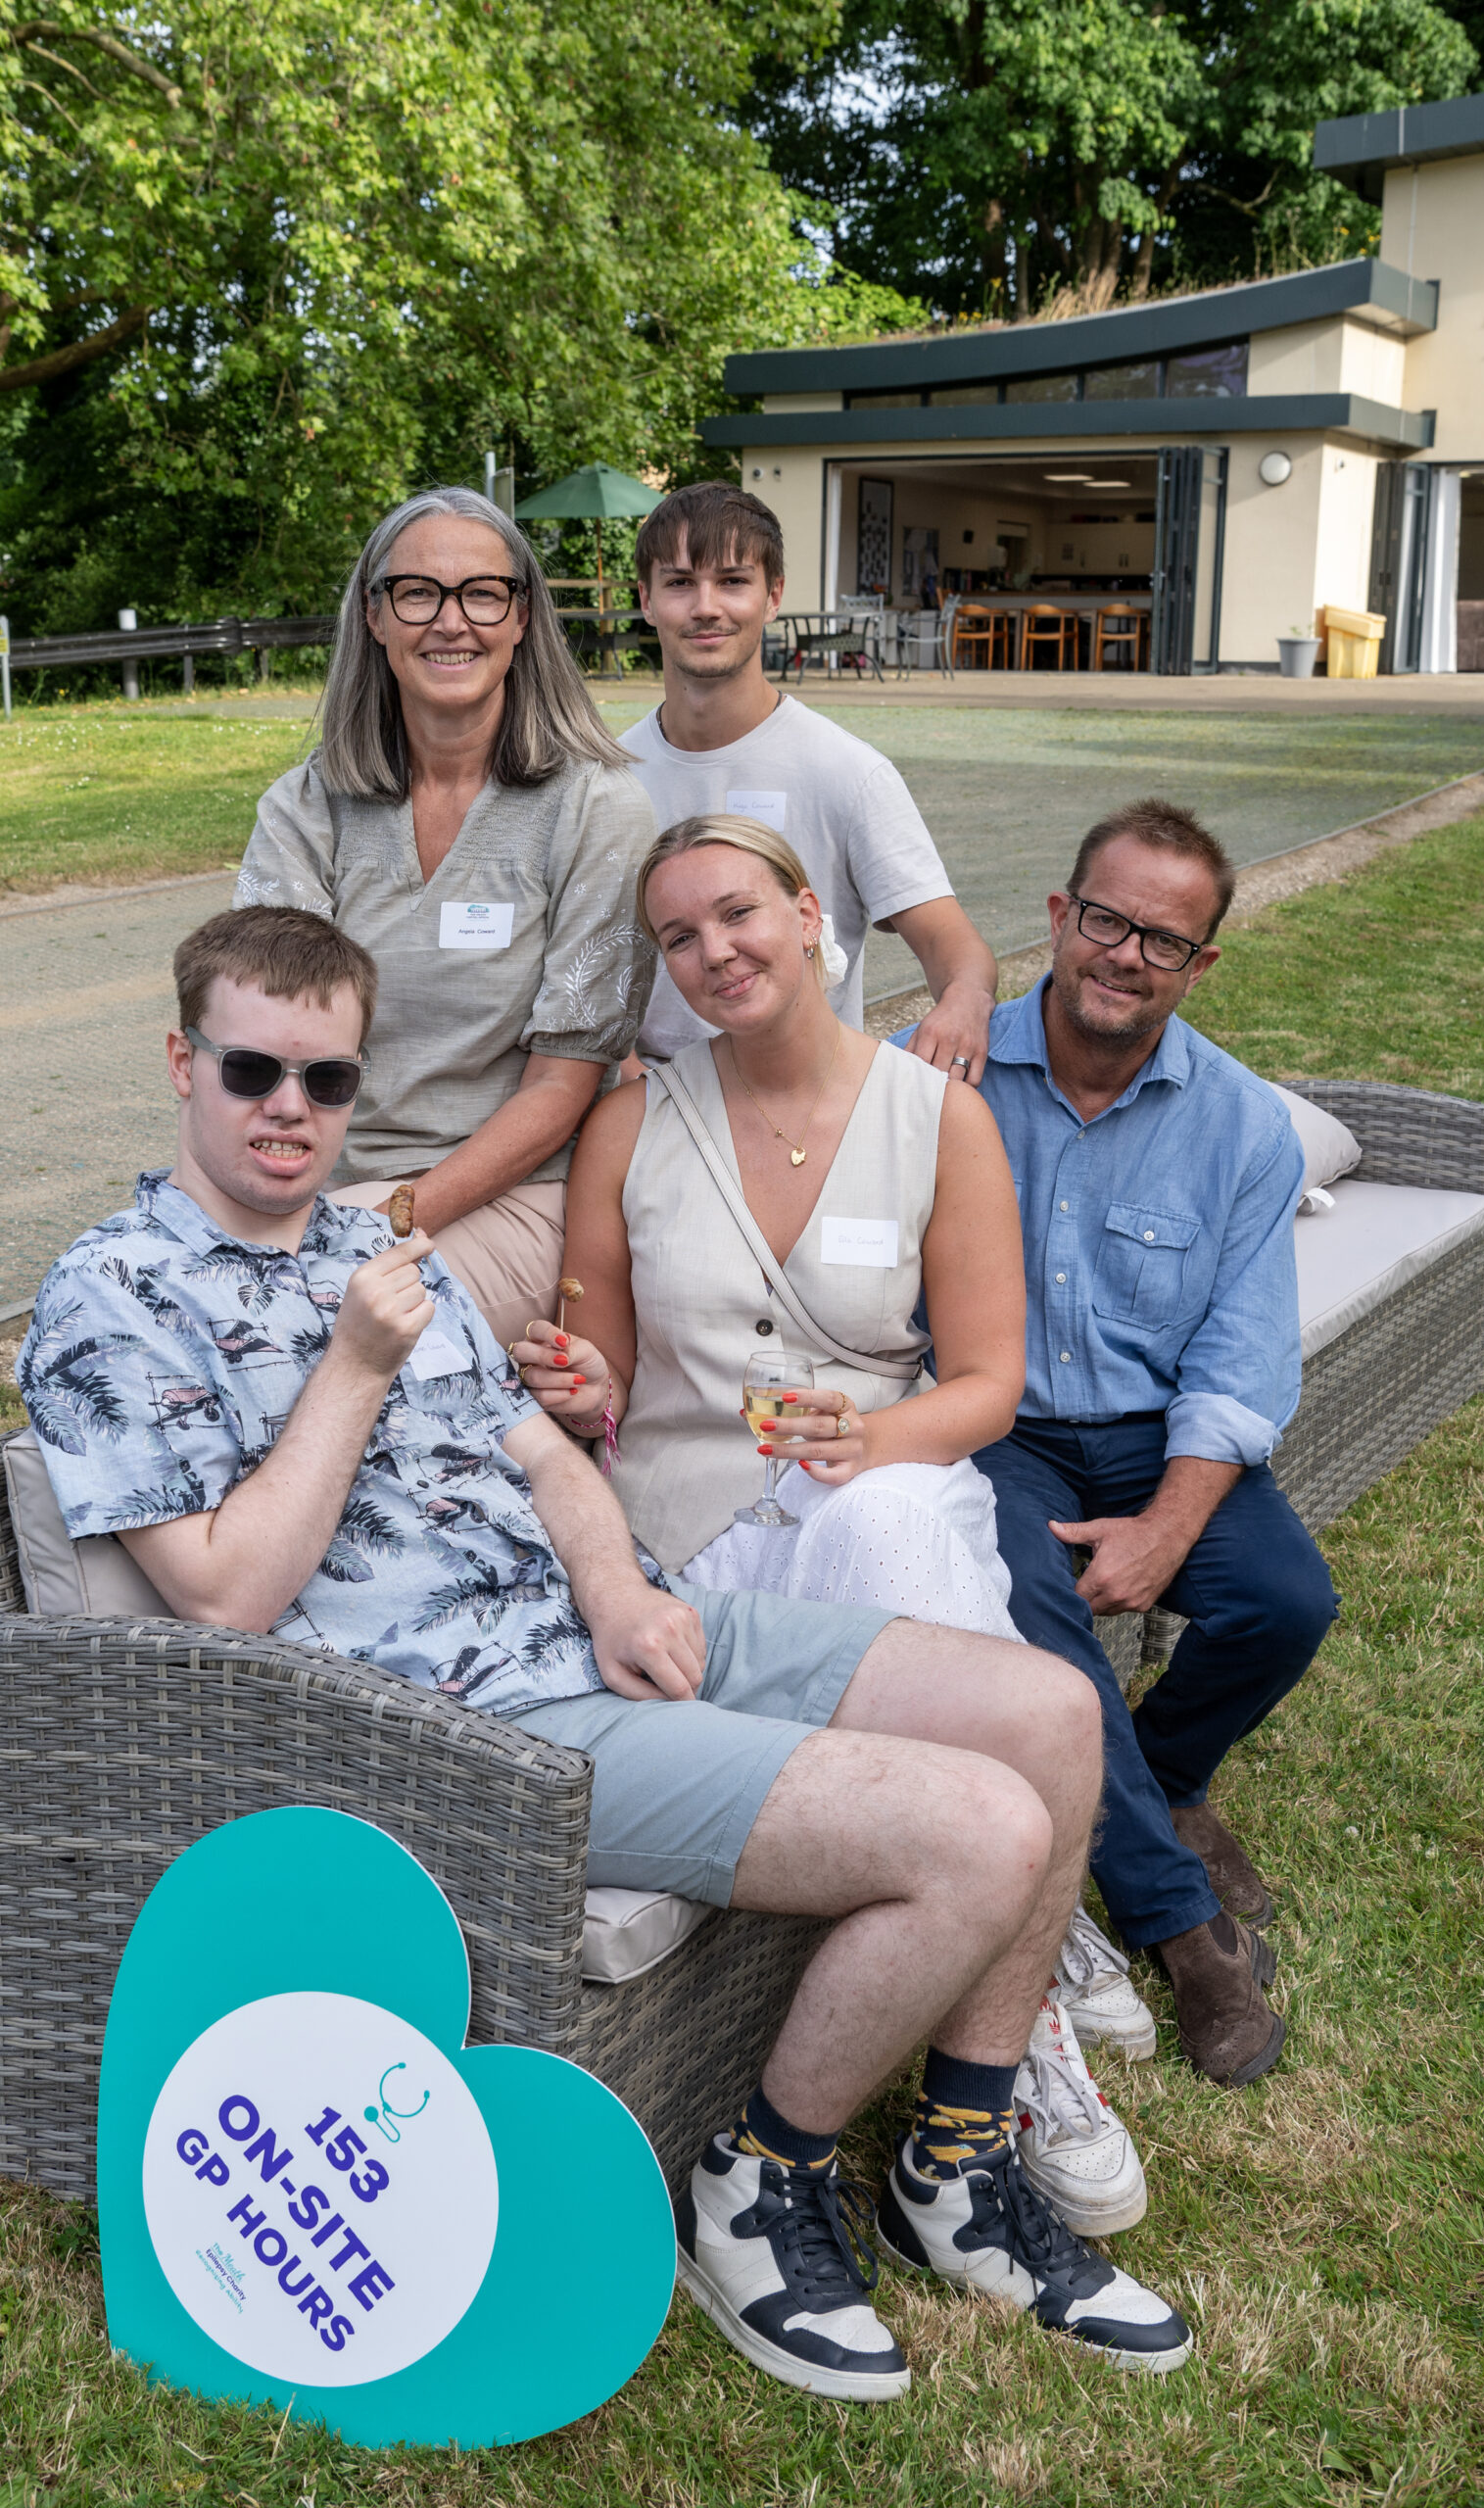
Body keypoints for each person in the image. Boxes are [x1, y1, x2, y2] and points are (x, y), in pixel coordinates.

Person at [20, 902, 1190, 2398]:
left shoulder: (380, 1246)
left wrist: (616, 1586)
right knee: (976, 1832)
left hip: (598, 1633)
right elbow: (227, 1598)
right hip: (460, 1729)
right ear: (182, 1061)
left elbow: (537, 1446)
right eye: (255, 1073)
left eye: (328, 1083)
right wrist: (351, 1369)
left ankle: (953, 2167)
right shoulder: (109, 1298)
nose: (290, 1114)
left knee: (1043, 1719)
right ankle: (755, 2187)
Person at [513, 812, 1155, 2238]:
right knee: (899, 1555)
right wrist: (581, 1379)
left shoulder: (938, 1116)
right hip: (688, 1531)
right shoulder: (632, 1121)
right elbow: (600, 1381)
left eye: (736, 914)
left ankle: (1004, 2041)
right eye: (676, 937)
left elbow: (987, 1385)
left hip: (872, 1481)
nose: (711, 952)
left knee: (892, 1527)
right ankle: (1021, 1965)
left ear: (810, 917)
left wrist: (868, 1438)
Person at [932, 798, 1338, 2090]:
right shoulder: (935, 1070)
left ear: (1200, 963)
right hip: (991, 1428)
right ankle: (1179, 1930)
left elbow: (1239, 1357)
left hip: (1155, 1434)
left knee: (1280, 1602)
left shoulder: (1239, 1126)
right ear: (1054, 917)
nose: (1123, 954)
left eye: (1161, 941)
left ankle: (1157, 1774)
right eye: (1102, 920)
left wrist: (1168, 1523)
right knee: (1034, 1613)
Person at [235, 485, 656, 1351]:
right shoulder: (308, 806)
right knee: (138, 1293)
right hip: (314, 1186)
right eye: (418, 592)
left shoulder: (595, 809)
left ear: (522, 617)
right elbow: (261, 1040)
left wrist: (385, 1220)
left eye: (481, 593)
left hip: (516, 1201)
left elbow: (561, 1086)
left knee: (286, 1323)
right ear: (376, 614)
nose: (450, 621)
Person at [623, 483, 998, 1079]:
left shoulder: (846, 770)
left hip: (807, 1101)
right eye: (679, 583)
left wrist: (964, 1003)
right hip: (655, 1097)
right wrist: (629, 1082)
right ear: (646, 598)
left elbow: (953, 947)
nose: (706, 606)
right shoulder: (609, 776)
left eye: (732, 581)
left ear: (772, 596)